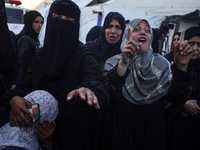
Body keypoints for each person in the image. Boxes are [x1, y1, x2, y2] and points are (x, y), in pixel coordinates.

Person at [0, 0, 109, 150]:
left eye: (69, 21)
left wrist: (88, 89)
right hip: (37, 132)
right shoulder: (39, 56)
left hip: (71, 135)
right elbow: (25, 87)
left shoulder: (83, 55)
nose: (61, 26)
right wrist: (14, 99)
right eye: (57, 19)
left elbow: (95, 81)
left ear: (75, 25)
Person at [102, 18, 193, 150]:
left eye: (147, 30)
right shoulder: (113, 63)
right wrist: (124, 64)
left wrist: (181, 67)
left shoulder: (162, 65)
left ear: (151, 38)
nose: (143, 33)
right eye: (136, 29)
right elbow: (109, 95)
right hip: (118, 135)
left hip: (152, 137)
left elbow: (177, 98)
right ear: (127, 36)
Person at [166, 26, 200, 150]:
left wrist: (196, 106)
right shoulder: (171, 66)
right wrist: (182, 104)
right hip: (174, 126)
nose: (195, 48)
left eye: (199, 44)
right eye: (191, 43)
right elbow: (163, 95)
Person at [17, 10, 44, 79]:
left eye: (41, 22)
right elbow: (23, 64)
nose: (40, 25)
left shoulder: (34, 38)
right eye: (36, 22)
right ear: (29, 22)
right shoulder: (25, 39)